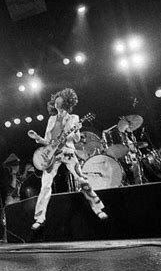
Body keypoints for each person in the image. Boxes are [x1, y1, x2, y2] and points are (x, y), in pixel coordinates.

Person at [28, 88, 108, 230]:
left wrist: (76, 130)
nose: (57, 102)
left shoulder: (74, 118)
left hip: (68, 152)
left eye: (60, 99)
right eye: (56, 100)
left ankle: (98, 208)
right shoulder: (51, 119)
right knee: (45, 185)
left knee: (81, 179)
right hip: (53, 155)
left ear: (65, 102)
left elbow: (76, 139)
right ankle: (39, 218)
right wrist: (37, 138)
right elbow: (48, 141)